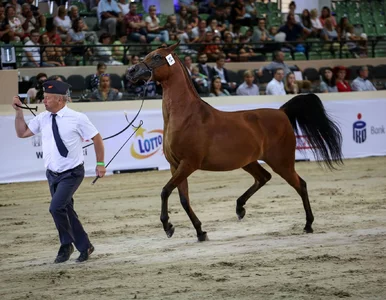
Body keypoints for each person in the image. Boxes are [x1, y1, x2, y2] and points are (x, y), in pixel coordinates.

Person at [11, 80, 106, 263]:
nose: (44, 101)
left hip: (72, 173)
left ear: (60, 100)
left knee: (56, 207)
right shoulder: (42, 118)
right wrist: (18, 112)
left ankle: (66, 244)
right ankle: (85, 246)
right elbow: (21, 133)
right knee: (66, 210)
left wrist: (100, 163)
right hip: (52, 173)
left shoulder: (77, 118)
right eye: (44, 97)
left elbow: (97, 138)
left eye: (47, 98)